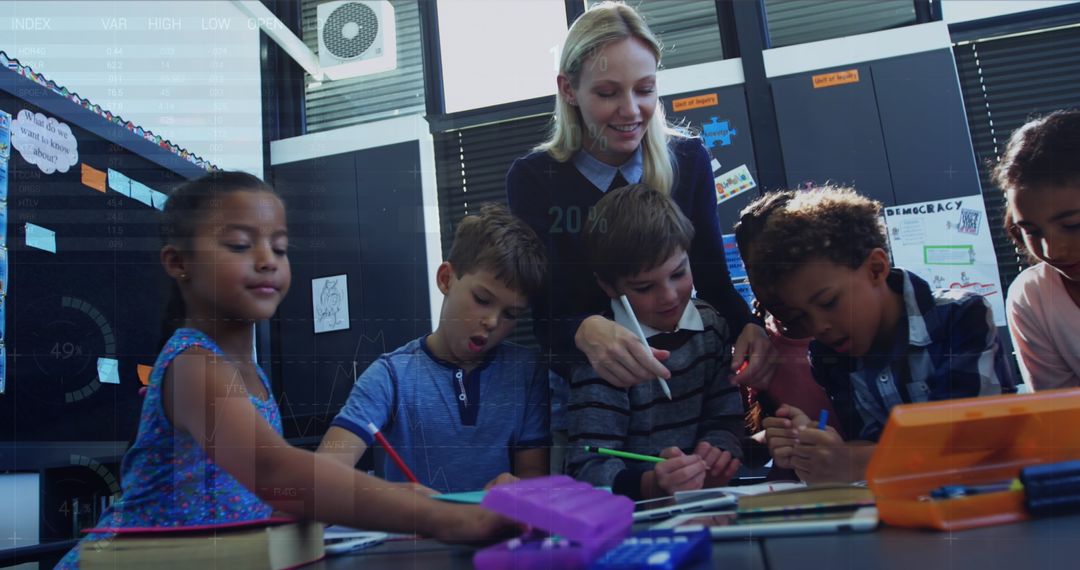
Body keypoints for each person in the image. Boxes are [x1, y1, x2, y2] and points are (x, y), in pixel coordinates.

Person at [56, 172, 512, 568]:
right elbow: (276, 473)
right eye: (239, 244)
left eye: (280, 247)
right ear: (179, 263)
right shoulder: (194, 365)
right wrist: (438, 515)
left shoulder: (250, 375)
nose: (267, 259)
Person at [506, 1, 775, 395]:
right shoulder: (534, 179)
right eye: (607, 92)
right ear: (568, 89)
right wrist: (581, 330)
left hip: (684, 377)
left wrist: (747, 326)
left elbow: (713, 279)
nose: (631, 110)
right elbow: (546, 315)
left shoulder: (688, 160)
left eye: (645, 89)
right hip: (588, 391)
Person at [736, 187, 1015, 484]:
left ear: (876, 268)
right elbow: (866, 441)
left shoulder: (962, 315)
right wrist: (814, 447)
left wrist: (854, 462)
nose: (818, 327)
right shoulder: (827, 354)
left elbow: (968, 443)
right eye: (801, 315)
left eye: (829, 302)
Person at [318, 203, 551, 493]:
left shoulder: (525, 372)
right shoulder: (390, 376)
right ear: (445, 279)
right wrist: (392, 498)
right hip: (416, 536)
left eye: (511, 315)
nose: (492, 322)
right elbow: (323, 477)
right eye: (482, 298)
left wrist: (520, 490)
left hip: (496, 534)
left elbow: (534, 481)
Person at [564, 184, 743, 499]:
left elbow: (725, 418)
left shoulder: (711, 326)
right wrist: (652, 484)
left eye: (678, 273)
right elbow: (586, 468)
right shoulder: (608, 355)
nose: (669, 296)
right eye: (645, 287)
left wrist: (719, 449)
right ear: (608, 287)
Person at [997, 110, 1080, 390]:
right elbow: (1061, 419)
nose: (1052, 250)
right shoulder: (1032, 298)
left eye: (1072, 225)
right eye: (1031, 231)